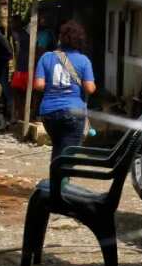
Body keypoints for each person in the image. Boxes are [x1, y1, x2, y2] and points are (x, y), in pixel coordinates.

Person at [34, 20, 96, 161]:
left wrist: (54, 86)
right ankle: (61, 182)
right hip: (73, 113)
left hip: (49, 113)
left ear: (60, 38)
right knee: (68, 156)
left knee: (58, 149)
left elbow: (38, 85)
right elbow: (90, 88)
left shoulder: (46, 57)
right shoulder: (83, 60)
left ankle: (55, 182)